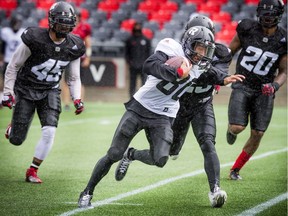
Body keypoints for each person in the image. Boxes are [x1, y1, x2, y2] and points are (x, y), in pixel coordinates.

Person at [78, 26, 215, 208]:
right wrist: (177, 72)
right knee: (113, 153)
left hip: (164, 116)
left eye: (205, 49)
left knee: (160, 159)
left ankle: (132, 154)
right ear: (189, 44)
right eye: (199, 48)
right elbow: (149, 65)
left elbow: (217, 72)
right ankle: (87, 192)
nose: (202, 53)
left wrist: (225, 79)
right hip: (140, 108)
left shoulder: (201, 67)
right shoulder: (171, 48)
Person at [1, 2, 85, 183]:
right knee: (16, 139)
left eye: (67, 23)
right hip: (26, 89)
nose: (65, 27)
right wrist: (8, 92)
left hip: (51, 91)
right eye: (61, 23)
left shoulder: (75, 45)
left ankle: (32, 170)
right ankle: (13, 127)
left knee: (49, 132)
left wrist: (77, 98)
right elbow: (14, 65)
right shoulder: (35, 38)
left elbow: (73, 77)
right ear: (52, 22)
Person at [169, 15, 245, 208]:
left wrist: (203, 69)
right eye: (196, 43)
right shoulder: (177, 50)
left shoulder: (220, 53)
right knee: (170, 151)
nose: (201, 47)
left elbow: (217, 74)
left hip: (202, 104)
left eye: (206, 42)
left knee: (207, 144)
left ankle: (215, 190)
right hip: (179, 104)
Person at [226, 0, 287, 180]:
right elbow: (229, 52)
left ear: (279, 15)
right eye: (265, 13)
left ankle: (235, 169)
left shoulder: (283, 39)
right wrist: (221, 74)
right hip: (242, 84)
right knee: (237, 127)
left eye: (271, 14)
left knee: (258, 132)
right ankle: (230, 131)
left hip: (264, 90)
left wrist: (274, 85)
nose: (267, 18)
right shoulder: (247, 28)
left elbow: (284, 71)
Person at [61, 8, 92, 110]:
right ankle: (66, 103)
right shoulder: (67, 26)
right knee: (66, 81)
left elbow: (88, 45)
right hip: (67, 56)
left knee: (80, 80)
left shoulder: (84, 27)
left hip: (80, 57)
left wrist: (88, 58)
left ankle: (80, 101)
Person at [0, 14, 25, 106]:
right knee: (6, 81)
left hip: (19, 61)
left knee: (19, 82)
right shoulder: (6, 32)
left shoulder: (23, 32)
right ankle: (4, 99)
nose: (16, 24)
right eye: (15, 22)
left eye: (18, 23)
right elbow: (2, 47)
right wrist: (1, 59)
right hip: (7, 60)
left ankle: (17, 100)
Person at [125, 22, 151, 99]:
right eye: (136, 26)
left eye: (139, 26)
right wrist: (130, 63)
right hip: (133, 66)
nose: (137, 28)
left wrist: (146, 64)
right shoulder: (129, 40)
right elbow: (127, 53)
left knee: (144, 83)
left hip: (143, 66)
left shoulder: (146, 40)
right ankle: (132, 99)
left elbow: (148, 53)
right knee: (132, 84)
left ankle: (144, 98)